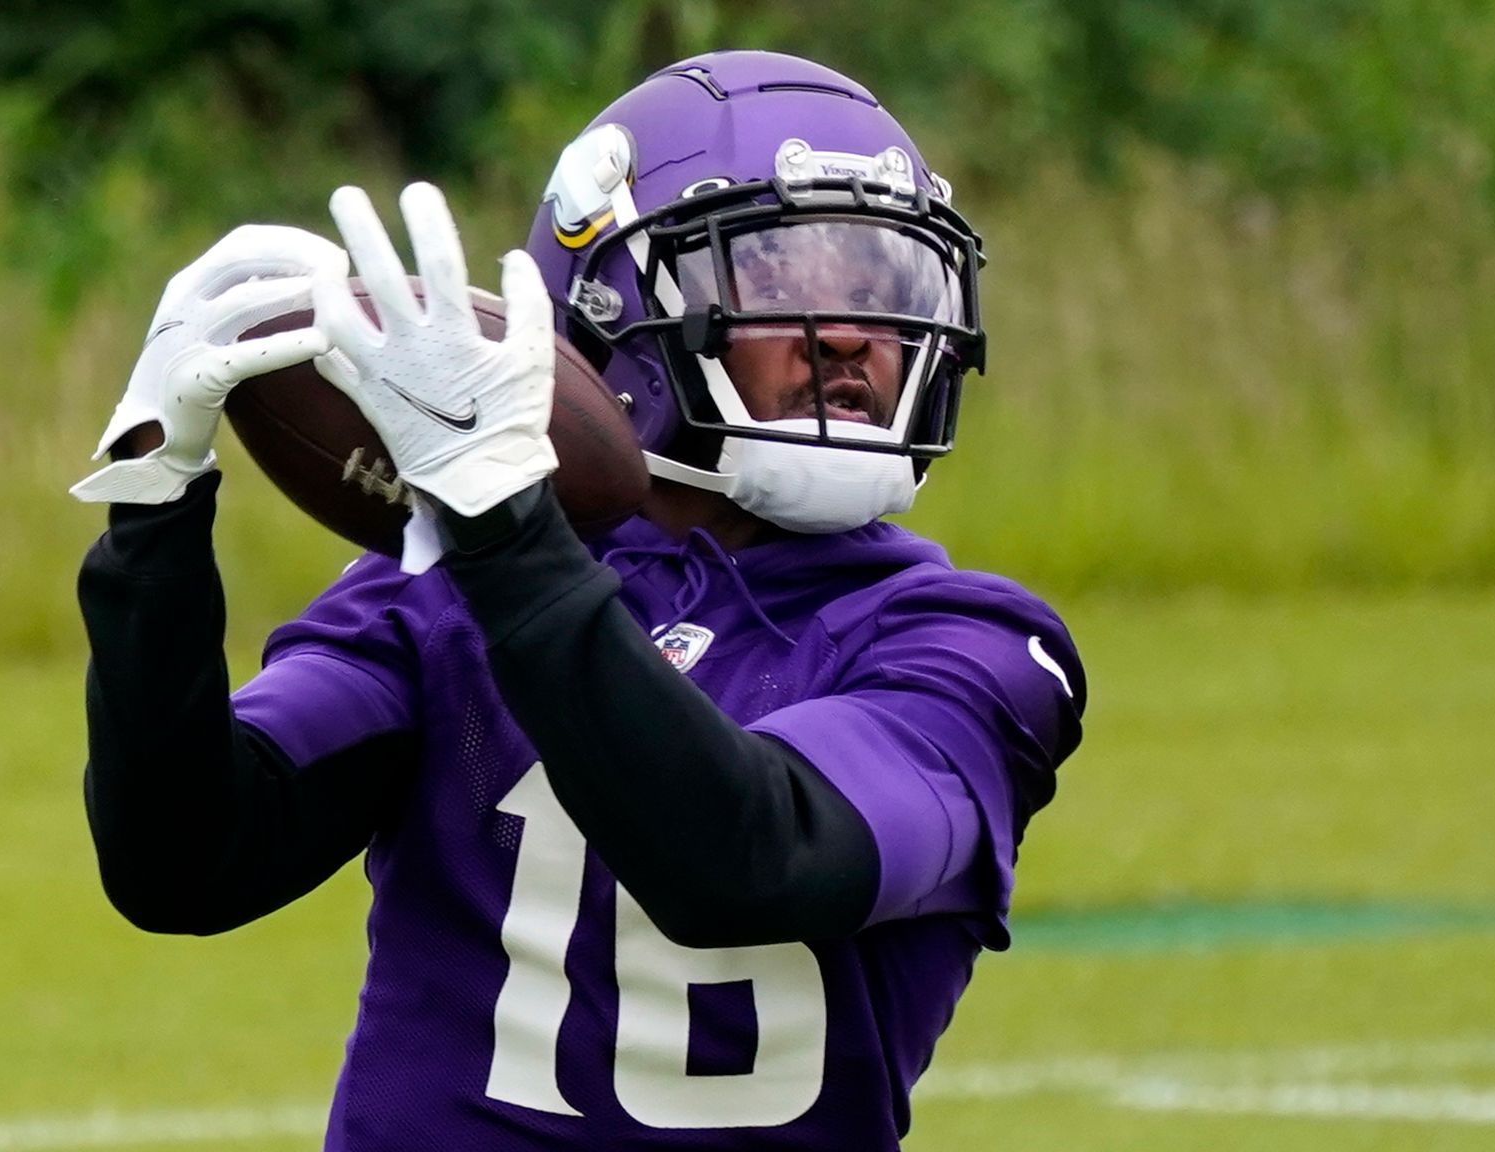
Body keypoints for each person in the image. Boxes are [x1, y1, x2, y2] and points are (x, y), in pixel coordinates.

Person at [70, 49, 1085, 1150]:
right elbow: (183, 861)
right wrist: (152, 509)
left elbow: (753, 862)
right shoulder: (437, 600)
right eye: (778, 280)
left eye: (882, 288)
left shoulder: (973, 642)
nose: (848, 333)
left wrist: (504, 531)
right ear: (614, 316)